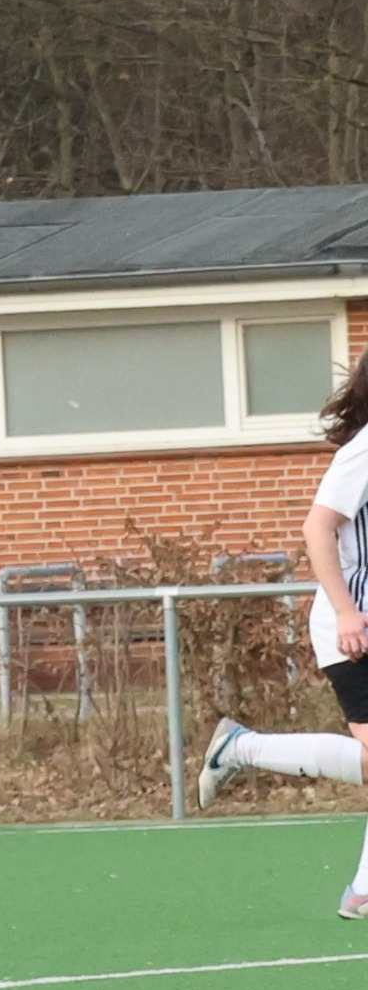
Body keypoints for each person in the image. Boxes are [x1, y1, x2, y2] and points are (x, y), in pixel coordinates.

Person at [199, 346, 368, 916]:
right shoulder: (366, 447)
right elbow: (317, 528)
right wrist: (346, 612)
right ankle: (363, 891)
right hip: (356, 626)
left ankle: (243, 748)